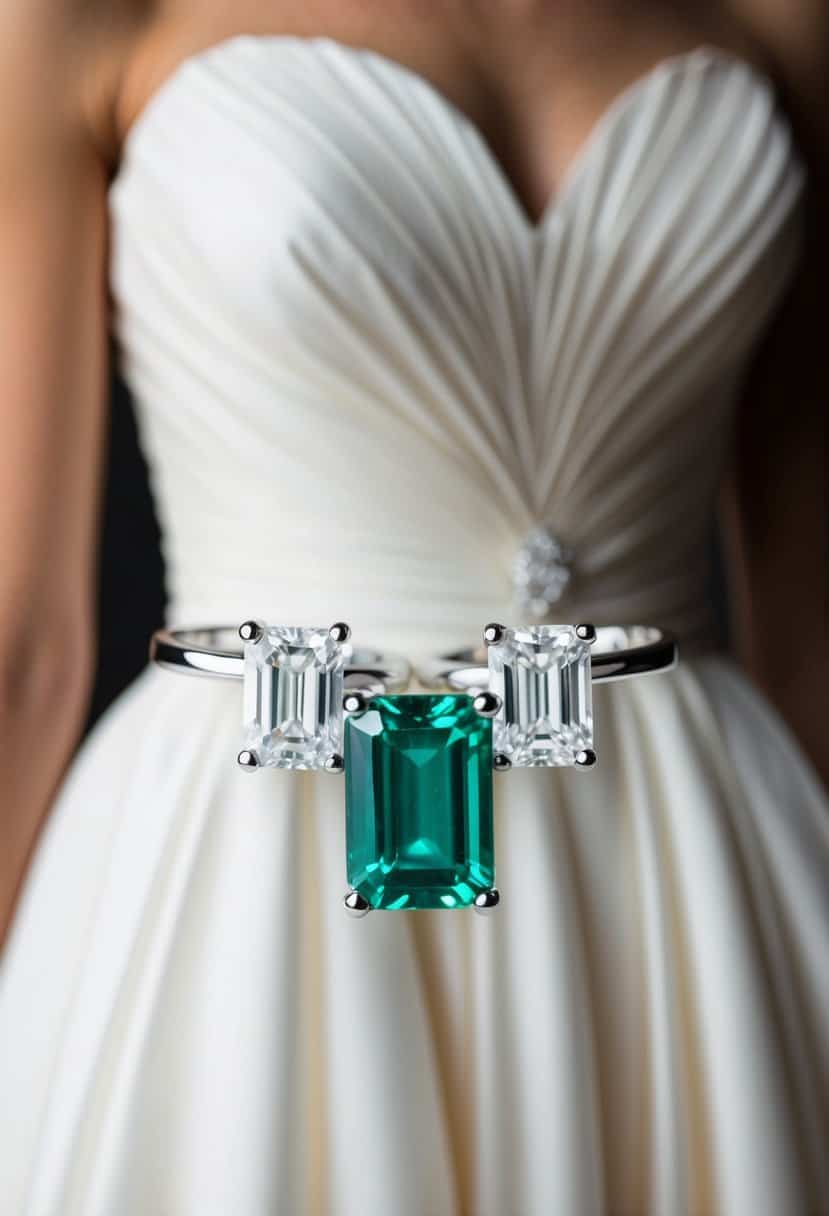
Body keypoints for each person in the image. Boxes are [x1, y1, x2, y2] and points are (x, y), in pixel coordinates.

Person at [0, 1, 826, 1212]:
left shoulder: (787, 19)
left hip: (691, 885)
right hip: (251, 855)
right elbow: (26, 647)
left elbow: (808, 617)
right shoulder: (77, 16)